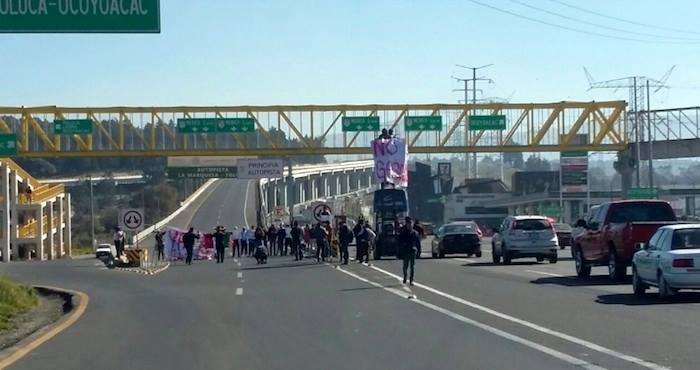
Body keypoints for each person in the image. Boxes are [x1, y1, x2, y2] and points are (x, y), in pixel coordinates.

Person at [398, 217, 420, 285]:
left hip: (413, 251)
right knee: (405, 266)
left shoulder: (415, 233)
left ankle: (411, 280)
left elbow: (418, 243)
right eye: (408, 224)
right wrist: (400, 249)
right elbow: (399, 241)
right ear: (406, 224)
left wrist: (419, 251)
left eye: (410, 224)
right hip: (406, 251)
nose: (409, 225)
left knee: (412, 266)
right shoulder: (403, 233)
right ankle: (405, 277)